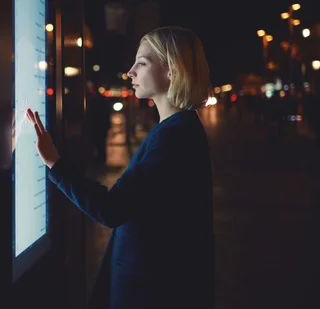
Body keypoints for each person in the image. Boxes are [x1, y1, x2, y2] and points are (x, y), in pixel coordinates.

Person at [26, 26, 214, 309]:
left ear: (172, 71)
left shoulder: (173, 136)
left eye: (142, 63)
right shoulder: (179, 129)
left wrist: (55, 162)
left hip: (152, 292)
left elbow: (112, 208)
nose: (130, 72)